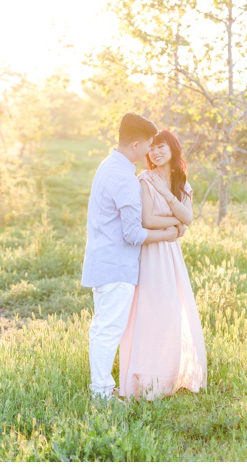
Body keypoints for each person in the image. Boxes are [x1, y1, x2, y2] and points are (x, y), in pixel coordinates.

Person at [82, 112, 180, 401]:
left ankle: (102, 389)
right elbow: (133, 234)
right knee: (108, 330)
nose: (151, 150)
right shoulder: (124, 177)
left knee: (104, 328)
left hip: (105, 261)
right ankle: (101, 394)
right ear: (136, 145)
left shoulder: (108, 165)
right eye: (149, 144)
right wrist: (169, 233)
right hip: (116, 265)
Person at [119, 129, 207, 400]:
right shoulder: (144, 179)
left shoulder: (181, 182)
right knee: (149, 312)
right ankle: (145, 379)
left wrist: (168, 198)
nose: (155, 152)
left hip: (171, 255)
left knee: (171, 310)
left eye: (161, 147)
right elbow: (146, 220)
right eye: (152, 148)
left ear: (172, 149)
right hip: (152, 250)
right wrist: (175, 221)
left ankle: (168, 375)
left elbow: (189, 219)